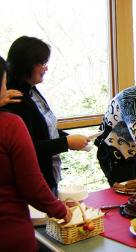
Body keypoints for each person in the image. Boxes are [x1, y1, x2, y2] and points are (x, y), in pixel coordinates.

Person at [0, 55, 72, 252]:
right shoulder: (11, 121)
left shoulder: (31, 94)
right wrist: (59, 208)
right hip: (9, 232)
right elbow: (30, 183)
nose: (46, 69)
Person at [4, 36, 89, 195]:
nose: (46, 68)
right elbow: (26, 149)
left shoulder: (30, 89)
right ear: (27, 65)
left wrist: (71, 138)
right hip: (32, 185)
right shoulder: (16, 98)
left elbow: (44, 129)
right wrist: (66, 143)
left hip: (48, 177)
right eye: (42, 64)